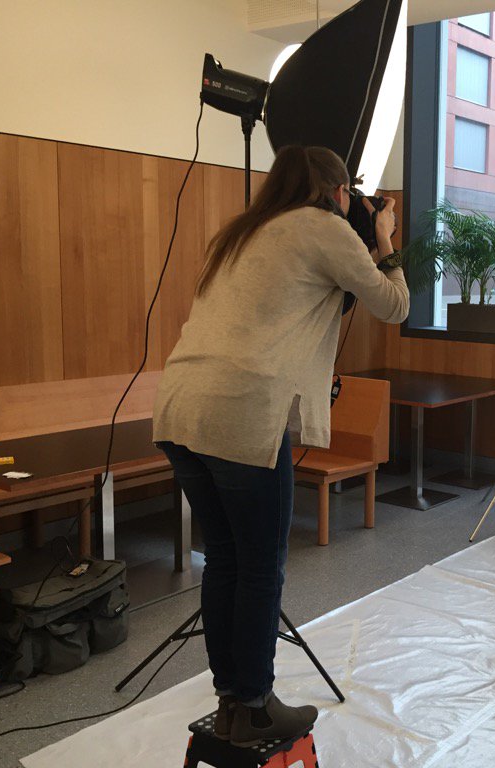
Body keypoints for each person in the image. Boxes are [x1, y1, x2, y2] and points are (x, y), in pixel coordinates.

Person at [153, 145, 409, 746]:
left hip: (179, 406)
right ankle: (254, 707)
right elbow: (394, 306)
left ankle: (232, 700)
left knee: (225, 557)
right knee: (260, 565)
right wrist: (384, 238)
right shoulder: (323, 227)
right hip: (242, 414)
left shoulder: (240, 233)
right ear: (338, 192)